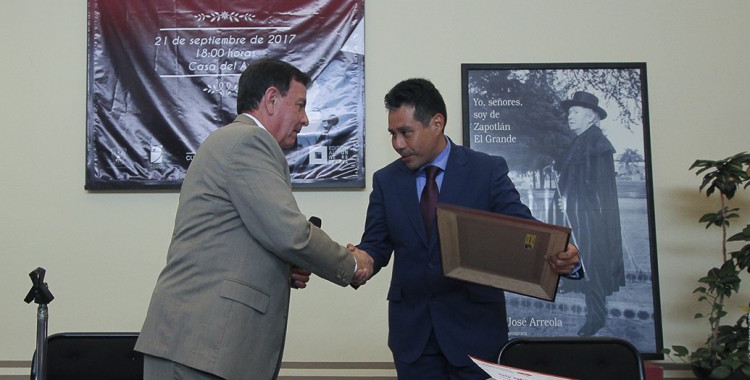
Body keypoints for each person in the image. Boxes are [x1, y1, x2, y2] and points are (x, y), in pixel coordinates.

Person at [135, 59, 372, 380]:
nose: (305, 119)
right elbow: (289, 234)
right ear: (271, 99)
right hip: (202, 347)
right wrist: (353, 264)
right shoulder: (249, 141)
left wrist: (283, 269)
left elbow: (238, 240)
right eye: (300, 105)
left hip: (196, 345)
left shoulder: (230, 141)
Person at [354, 78, 581, 380]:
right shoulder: (386, 181)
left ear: (437, 123)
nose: (397, 144)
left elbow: (523, 227)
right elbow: (375, 245)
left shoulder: (486, 170)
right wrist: (359, 261)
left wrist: (564, 254)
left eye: (405, 132)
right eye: (392, 134)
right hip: (413, 339)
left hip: (476, 336)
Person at [552, 90, 625, 336]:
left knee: (592, 265)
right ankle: (584, 301)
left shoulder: (597, 145)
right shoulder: (580, 142)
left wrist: (571, 201)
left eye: (575, 112)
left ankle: (596, 318)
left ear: (591, 116)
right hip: (578, 217)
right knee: (579, 261)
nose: (570, 117)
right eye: (569, 113)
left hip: (592, 220)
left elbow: (597, 189)